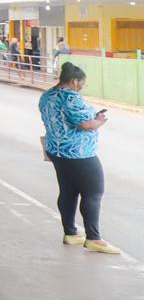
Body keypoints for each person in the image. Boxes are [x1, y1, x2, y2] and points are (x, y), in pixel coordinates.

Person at [39, 63, 119, 254]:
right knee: (93, 192)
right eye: (83, 83)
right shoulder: (70, 97)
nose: (82, 87)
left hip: (56, 150)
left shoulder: (47, 95)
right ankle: (93, 238)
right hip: (78, 153)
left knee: (68, 191)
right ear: (75, 81)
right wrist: (99, 121)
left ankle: (71, 233)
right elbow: (85, 125)